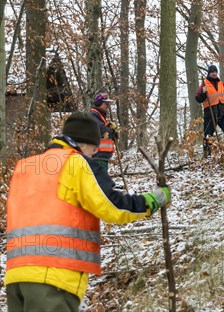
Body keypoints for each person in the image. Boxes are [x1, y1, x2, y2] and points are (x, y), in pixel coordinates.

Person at [5, 111, 171, 312]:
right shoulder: (76, 163)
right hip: (54, 277)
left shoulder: (24, 167)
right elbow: (114, 206)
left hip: (16, 277)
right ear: (84, 144)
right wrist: (153, 201)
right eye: (94, 149)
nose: (95, 154)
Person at [195, 65, 224, 155]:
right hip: (210, 114)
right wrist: (203, 92)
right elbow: (198, 99)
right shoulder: (204, 84)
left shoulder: (222, 84)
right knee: (208, 135)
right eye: (212, 72)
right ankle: (207, 155)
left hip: (223, 113)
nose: (214, 73)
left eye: (215, 72)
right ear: (209, 73)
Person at [90, 91, 119, 170]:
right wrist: (113, 131)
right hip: (97, 158)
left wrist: (109, 126)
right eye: (106, 103)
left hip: (101, 157)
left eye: (109, 104)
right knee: (100, 181)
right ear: (99, 103)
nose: (108, 106)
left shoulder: (100, 116)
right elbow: (103, 132)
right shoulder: (93, 115)